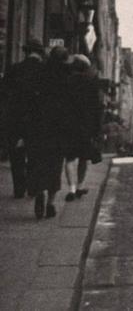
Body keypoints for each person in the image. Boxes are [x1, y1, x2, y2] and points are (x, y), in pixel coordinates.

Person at [25, 46, 69, 219]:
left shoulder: (40, 72)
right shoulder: (67, 76)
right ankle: (51, 202)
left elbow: (30, 100)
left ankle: (39, 193)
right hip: (58, 128)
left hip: (39, 127)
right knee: (55, 166)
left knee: (38, 163)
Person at [1, 38, 46, 199]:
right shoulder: (44, 71)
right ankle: (33, 187)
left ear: (26, 52)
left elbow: (4, 94)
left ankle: (19, 188)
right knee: (35, 154)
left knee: (16, 155)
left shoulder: (14, 69)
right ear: (40, 53)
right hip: (37, 119)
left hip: (15, 118)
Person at [62, 54, 102, 201]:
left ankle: (71, 189)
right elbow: (97, 109)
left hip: (69, 125)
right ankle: (80, 186)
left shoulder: (66, 82)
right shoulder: (91, 84)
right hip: (86, 126)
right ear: (85, 68)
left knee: (69, 158)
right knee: (83, 158)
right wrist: (97, 129)